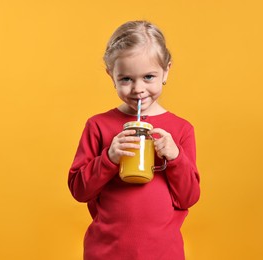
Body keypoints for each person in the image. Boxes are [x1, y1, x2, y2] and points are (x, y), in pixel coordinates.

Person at [68, 20, 200, 260]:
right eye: (126, 79)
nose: (138, 89)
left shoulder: (181, 130)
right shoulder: (98, 125)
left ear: (166, 71)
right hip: (106, 252)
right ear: (111, 75)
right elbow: (79, 190)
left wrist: (175, 157)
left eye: (149, 77)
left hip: (163, 253)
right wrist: (108, 158)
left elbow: (188, 198)